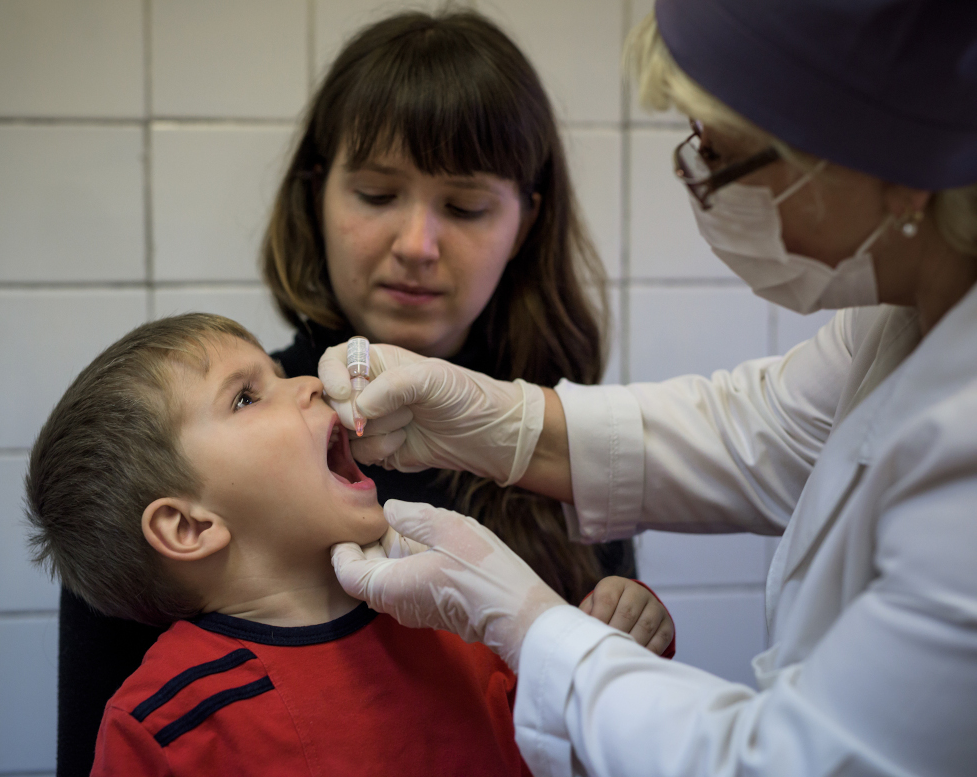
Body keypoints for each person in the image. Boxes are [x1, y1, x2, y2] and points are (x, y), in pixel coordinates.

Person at [321, 1, 977, 775]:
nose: (416, 246)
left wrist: (534, 626)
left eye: (724, 157)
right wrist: (499, 423)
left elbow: (796, 761)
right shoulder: (907, 316)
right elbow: (755, 428)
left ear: (895, 169)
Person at [55, 11, 668, 774]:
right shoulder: (173, 455)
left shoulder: (565, 450)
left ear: (525, 221)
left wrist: (616, 656)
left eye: (467, 206)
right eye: (377, 193)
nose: (416, 245)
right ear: (318, 190)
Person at [26, 313, 673, 776]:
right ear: (189, 527)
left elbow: (582, 741)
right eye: (248, 396)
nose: (306, 383)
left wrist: (612, 629)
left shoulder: (452, 616)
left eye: (279, 374)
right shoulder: (161, 726)